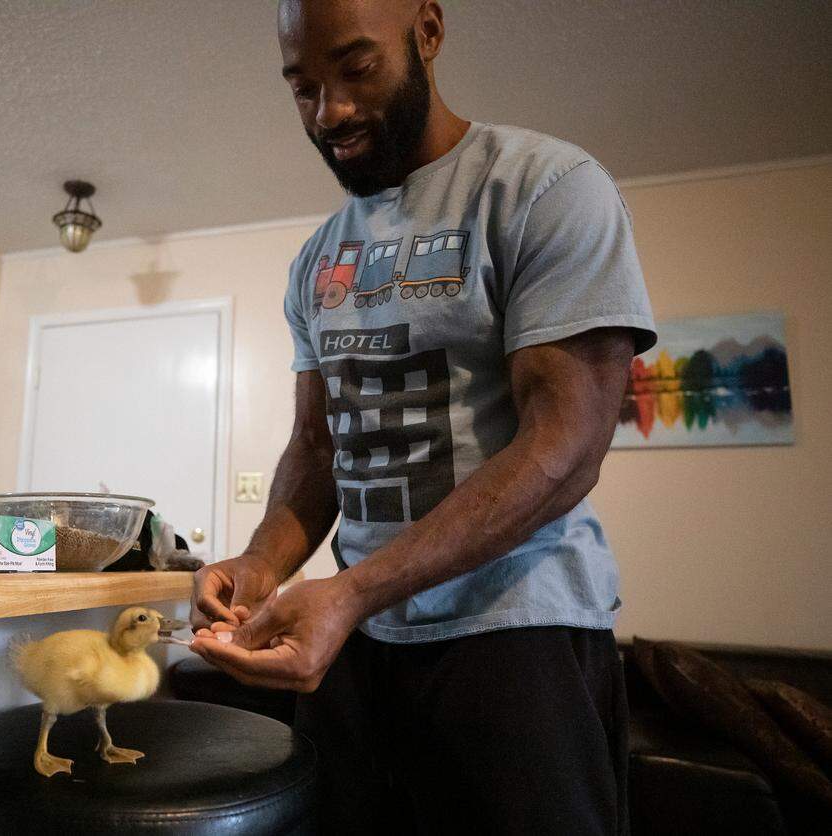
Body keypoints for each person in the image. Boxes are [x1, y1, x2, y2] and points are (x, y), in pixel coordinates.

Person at [189, 1, 655, 833]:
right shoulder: (315, 259)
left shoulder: (546, 188)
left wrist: (352, 592)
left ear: (429, 33)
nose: (328, 112)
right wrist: (263, 565)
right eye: (303, 87)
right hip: (355, 651)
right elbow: (317, 445)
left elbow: (569, 444)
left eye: (356, 70)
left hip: (517, 637)